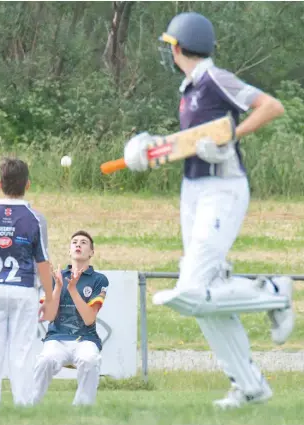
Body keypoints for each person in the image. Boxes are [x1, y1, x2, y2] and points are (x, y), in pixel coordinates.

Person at [123, 12, 294, 409]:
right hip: (193, 192)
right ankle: (250, 386)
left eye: (170, 47)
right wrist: (152, 149)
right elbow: (191, 141)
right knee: (202, 297)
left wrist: (233, 135)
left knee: (192, 290)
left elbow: (271, 107)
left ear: (178, 48)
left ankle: (273, 292)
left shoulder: (215, 79)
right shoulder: (190, 88)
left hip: (224, 190)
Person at [0, 157, 57, 407]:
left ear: (0, 184)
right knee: (22, 350)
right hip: (23, 290)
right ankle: (24, 405)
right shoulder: (35, 218)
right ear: (28, 185)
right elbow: (42, 262)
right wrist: (50, 298)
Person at [33, 230, 109, 406]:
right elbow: (50, 316)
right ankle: (30, 405)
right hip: (57, 338)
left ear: (91, 252)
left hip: (86, 339)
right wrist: (59, 286)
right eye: (74, 242)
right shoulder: (55, 277)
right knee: (45, 360)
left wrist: (73, 289)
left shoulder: (99, 279)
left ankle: (82, 408)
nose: (78, 245)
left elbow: (89, 319)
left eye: (83, 242)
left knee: (90, 360)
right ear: (69, 250)